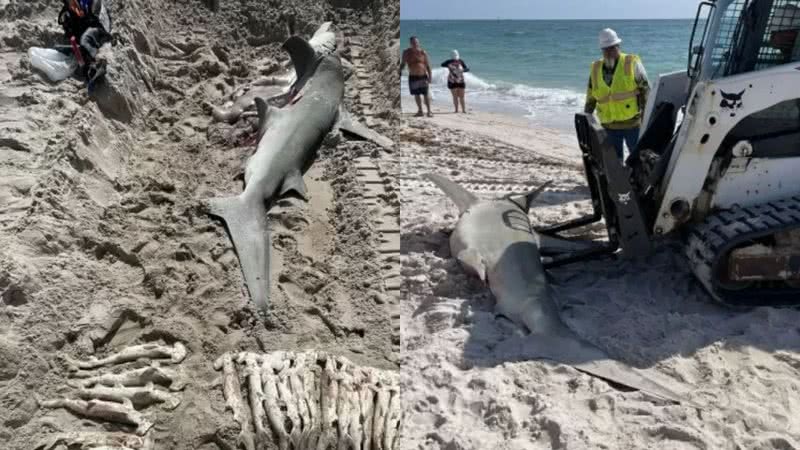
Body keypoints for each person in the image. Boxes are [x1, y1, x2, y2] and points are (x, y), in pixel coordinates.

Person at [584, 28, 650, 161]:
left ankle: (638, 181)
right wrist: (587, 118)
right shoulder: (595, 68)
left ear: (618, 46)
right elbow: (591, 96)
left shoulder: (631, 62)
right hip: (608, 125)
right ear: (602, 50)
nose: (609, 51)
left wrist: (646, 117)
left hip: (632, 124)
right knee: (614, 161)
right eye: (606, 49)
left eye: (612, 47)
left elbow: (646, 90)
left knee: (637, 159)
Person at [57, 0, 113, 91]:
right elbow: (70, 33)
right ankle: (91, 70)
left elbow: (101, 21)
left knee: (87, 39)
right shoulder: (66, 15)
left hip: (97, 32)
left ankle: (98, 65)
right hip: (83, 43)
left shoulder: (89, 3)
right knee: (81, 46)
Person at [400, 36, 433, 117]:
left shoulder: (423, 52)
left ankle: (429, 111)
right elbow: (403, 64)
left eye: (416, 42)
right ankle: (420, 111)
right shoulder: (406, 52)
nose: (415, 44)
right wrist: (399, 71)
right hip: (413, 76)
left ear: (419, 43)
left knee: (426, 94)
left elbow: (428, 65)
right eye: (413, 42)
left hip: (423, 76)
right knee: (416, 94)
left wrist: (430, 76)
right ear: (410, 43)